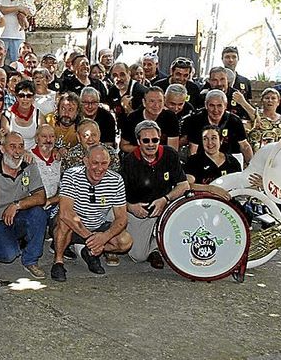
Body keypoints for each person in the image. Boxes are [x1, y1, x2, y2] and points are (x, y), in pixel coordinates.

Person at [50, 145, 133, 282]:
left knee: (125, 242)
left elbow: (122, 218)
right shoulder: (72, 175)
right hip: (73, 225)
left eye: (104, 163)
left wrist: (104, 237)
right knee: (64, 221)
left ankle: (88, 251)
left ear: (109, 163)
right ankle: (58, 262)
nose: (99, 168)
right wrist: (92, 238)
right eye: (95, 163)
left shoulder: (116, 180)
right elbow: (66, 212)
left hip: (96, 225)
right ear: (86, 161)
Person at [0, 132, 49, 278]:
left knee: (39, 213)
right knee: (8, 256)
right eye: (12, 147)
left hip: (18, 215)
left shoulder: (29, 166)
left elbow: (41, 197)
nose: (17, 151)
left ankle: (31, 260)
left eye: (21, 146)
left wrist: (16, 205)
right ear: (2, 149)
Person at [120, 120, 190, 268]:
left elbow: (184, 185)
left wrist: (165, 199)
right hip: (140, 211)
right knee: (138, 256)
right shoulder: (129, 162)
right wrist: (132, 208)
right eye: (146, 140)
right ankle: (154, 245)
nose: (151, 144)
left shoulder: (170, 154)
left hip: (165, 207)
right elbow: (118, 196)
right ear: (138, 141)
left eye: (155, 140)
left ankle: (157, 248)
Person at [182, 89, 253, 167]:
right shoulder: (196, 120)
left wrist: (251, 166)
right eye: (212, 105)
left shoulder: (234, 121)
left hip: (229, 161)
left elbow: (245, 146)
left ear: (225, 105)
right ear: (206, 105)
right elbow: (193, 149)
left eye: (219, 105)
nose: (215, 110)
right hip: (203, 161)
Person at [118, 87, 180, 153]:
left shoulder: (171, 117)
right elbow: (124, 146)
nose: (156, 105)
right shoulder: (132, 118)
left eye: (160, 101)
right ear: (144, 102)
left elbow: (173, 149)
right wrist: (145, 151)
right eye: (152, 101)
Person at [184, 125, 242, 194]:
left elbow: (239, 186)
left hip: (227, 202)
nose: (210, 143)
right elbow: (186, 185)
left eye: (213, 138)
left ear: (221, 140)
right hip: (202, 202)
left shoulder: (232, 162)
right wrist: (209, 188)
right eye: (205, 139)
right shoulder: (193, 161)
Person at [234, 87, 281, 151]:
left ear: (278, 102)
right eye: (267, 98)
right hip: (256, 156)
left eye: (273, 98)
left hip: (277, 156)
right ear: (261, 101)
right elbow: (254, 114)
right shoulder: (253, 115)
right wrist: (242, 101)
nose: (270, 100)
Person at [5, 79, 41, 150]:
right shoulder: (7, 114)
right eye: (21, 95)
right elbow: (6, 140)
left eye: (29, 96)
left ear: (33, 98)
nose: (25, 99)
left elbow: (42, 140)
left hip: (32, 155)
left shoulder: (38, 115)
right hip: (13, 153)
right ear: (16, 97)